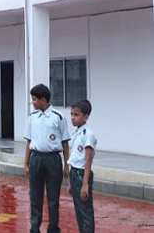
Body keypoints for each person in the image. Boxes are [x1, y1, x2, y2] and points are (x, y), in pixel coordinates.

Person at [24, 83, 70, 233]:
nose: (32, 102)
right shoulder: (32, 118)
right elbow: (29, 141)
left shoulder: (58, 117)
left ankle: (53, 228)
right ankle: (34, 227)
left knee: (53, 197)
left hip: (53, 159)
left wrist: (66, 164)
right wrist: (26, 162)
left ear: (43, 100)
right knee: (35, 196)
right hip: (36, 158)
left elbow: (65, 142)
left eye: (34, 99)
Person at [68, 99, 97, 233]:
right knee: (79, 210)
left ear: (86, 116)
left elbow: (88, 160)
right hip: (75, 173)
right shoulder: (76, 132)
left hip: (82, 174)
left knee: (85, 211)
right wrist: (71, 182)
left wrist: (85, 183)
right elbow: (75, 158)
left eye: (76, 115)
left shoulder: (88, 134)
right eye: (72, 114)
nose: (73, 118)